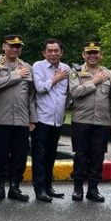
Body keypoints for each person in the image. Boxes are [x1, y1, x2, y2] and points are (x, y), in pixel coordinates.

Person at [0, 34, 36, 202]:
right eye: (11, 46)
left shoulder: (26, 66)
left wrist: (32, 118)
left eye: (18, 46)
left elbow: (30, 95)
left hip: (21, 119)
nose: (15, 49)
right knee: (0, 155)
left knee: (20, 155)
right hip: (1, 118)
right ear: (3, 47)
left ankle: (15, 187)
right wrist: (16, 75)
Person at [68, 41, 111, 202]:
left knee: (98, 155)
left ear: (100, 55)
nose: (92, 55)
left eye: (95, 52)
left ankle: (93, 188)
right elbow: (75, 92)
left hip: (102, 121)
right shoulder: (76, 73)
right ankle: (78, 189)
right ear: (83, 55)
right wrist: (94, 81)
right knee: (81, 155)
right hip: (81, 120)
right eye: (89, 53)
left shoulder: (108, 73)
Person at [31, 39, 70, 202]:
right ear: (44, 53)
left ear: (61, 52)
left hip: (57, 120)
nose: (53, 53)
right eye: (50, 51)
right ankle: (39, 189)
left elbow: (68, 94)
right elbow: (40, 88)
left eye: (56, 51)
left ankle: (48, 186)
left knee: (51, 155)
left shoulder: (66, 68)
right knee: (39, 156)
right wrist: (56, 78)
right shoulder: (38, 66)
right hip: (42, 119)